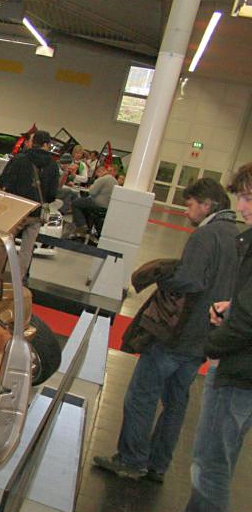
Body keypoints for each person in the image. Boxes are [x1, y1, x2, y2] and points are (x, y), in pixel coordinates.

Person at [93, 178, 239, 481]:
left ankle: (131, 459)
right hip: (205, 337)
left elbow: (191, 280)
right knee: (176, 402)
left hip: (178, 332)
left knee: (141, 395)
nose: (187, 211)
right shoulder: (235, 237)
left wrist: (164, 275)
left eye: (190, 204)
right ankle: (158, 464)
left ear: (206, 204)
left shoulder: (206, 235)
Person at [145, 164, 252, 512]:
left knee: (211, 465)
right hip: (238, 364)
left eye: (248, 197)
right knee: (208, 459)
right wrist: (233, 309)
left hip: (239, 369)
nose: (242, 206)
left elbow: (248, 319)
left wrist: (215, 344)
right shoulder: (244, 238)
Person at [0, 129, 60, 277]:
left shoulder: (19, 159)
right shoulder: (53, 165)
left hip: (16, 209)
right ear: (46, 144)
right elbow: (52, 195)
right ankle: (18, 279)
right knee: (27, 249)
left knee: (4, 243)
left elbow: (3, 182)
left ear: (33, 142)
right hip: (36, 212)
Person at [70, 164, 115, 236]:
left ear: (100, 171)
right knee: (84, 205)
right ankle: (87, 227)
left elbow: (92, 192)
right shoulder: (114, 180)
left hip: (97, 204)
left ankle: (81, 225)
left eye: (97, 174)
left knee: (76, 202)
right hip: (107, 207)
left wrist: (91, 186)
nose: (97, 176)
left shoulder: (102, 179)